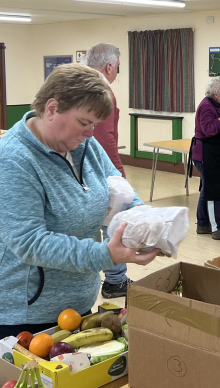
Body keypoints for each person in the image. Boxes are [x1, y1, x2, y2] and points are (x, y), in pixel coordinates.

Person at [0, 64, 160, 354]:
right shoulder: (13, 161)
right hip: (19, 314)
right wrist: (106, 255)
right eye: (84, 122)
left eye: (95, 124)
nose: (90, 132)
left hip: (75, 305)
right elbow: (31, 243)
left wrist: (141, 218)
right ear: (52, 108)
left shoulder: (86, 146)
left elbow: (118, 190)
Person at [83, 43, 130, 299]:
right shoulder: (100, 90)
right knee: (112, 223)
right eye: (117, 68)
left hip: (85, 168)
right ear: (110, 66)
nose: (116, 73)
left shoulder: (82, 86)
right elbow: (104, 138)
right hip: (100, 168)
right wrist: (118, 175)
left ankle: (110, 276)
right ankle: (115, 280)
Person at [189, 76, 220, 241]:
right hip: (205, 154)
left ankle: (203, 224)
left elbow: (213, 120)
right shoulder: (206, 106)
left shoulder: (212, 105)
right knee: (212, 190)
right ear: (216, 93)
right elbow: (209, 129)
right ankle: (217, 227)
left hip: (210, 154)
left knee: (208, 188)